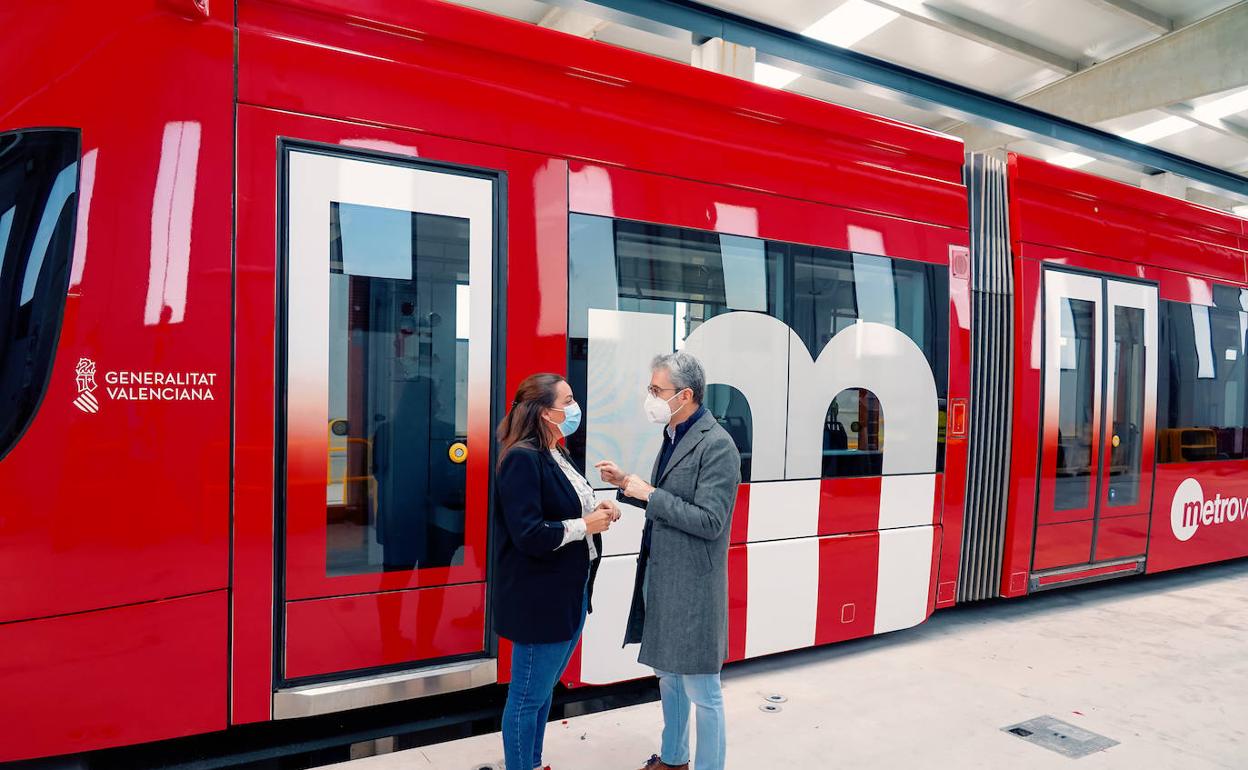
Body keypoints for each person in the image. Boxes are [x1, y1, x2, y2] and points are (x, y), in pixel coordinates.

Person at [596, 352, 741, 770]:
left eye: (657, 391)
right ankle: (674, 758)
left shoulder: (717, 445)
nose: (651, 398)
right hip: (664, 579)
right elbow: (665, 499)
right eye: (650, 389)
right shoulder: (674, 433)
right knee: (670, 681)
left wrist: (649, 495)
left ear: (686, 395)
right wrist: (626, 484)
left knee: (703, 690)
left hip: (694, 585)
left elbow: (711, 521)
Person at [493, 373, 620, 770]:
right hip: (539, 599)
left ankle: (532, 762)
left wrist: (600, 510)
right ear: (547, 412)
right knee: (528, 696)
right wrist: (586, 526)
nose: (575, 406)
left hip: (570, 592)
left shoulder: (555, 452)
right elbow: (528, 534)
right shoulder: (521, 459)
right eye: (568, 399)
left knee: (544, 690)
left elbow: (565, 508)